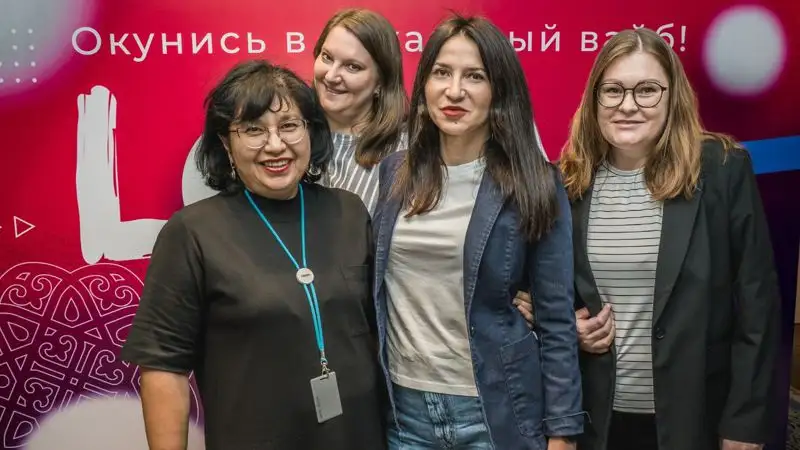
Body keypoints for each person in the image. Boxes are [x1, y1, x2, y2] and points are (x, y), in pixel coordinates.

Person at [119, 60, 385, 450]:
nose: (275, 145)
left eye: (289, 126)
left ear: (311, 132)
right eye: (254, 130)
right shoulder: (193, 232)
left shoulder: (349, 212)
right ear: (226, 144)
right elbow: (163, 367)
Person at [558, 28, 781, 450]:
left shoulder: (722, 169)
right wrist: (571, 328)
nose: (628, 105)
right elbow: (542, 295)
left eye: (647, 90)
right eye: (613, 90)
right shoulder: (567, 183)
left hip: (695, 420)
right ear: (595, 98)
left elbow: (757, 304)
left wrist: (745, 421)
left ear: (671, 95)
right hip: (595, 424)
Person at [372, 14, 584, 450]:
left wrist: (562, 431)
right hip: (404, 413)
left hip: (495, 412)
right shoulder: (395, 173)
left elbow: (556, 318)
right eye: (441, 73)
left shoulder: (534, 182)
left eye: (475, 76)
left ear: (499, 90)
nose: (454, 91)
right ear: (424, 85)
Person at [312, 8, 408, 214]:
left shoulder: (405, 153)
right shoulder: (289, 134)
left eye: (352, 67)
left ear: (381, 82)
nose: (331, 76)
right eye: (327, 57)